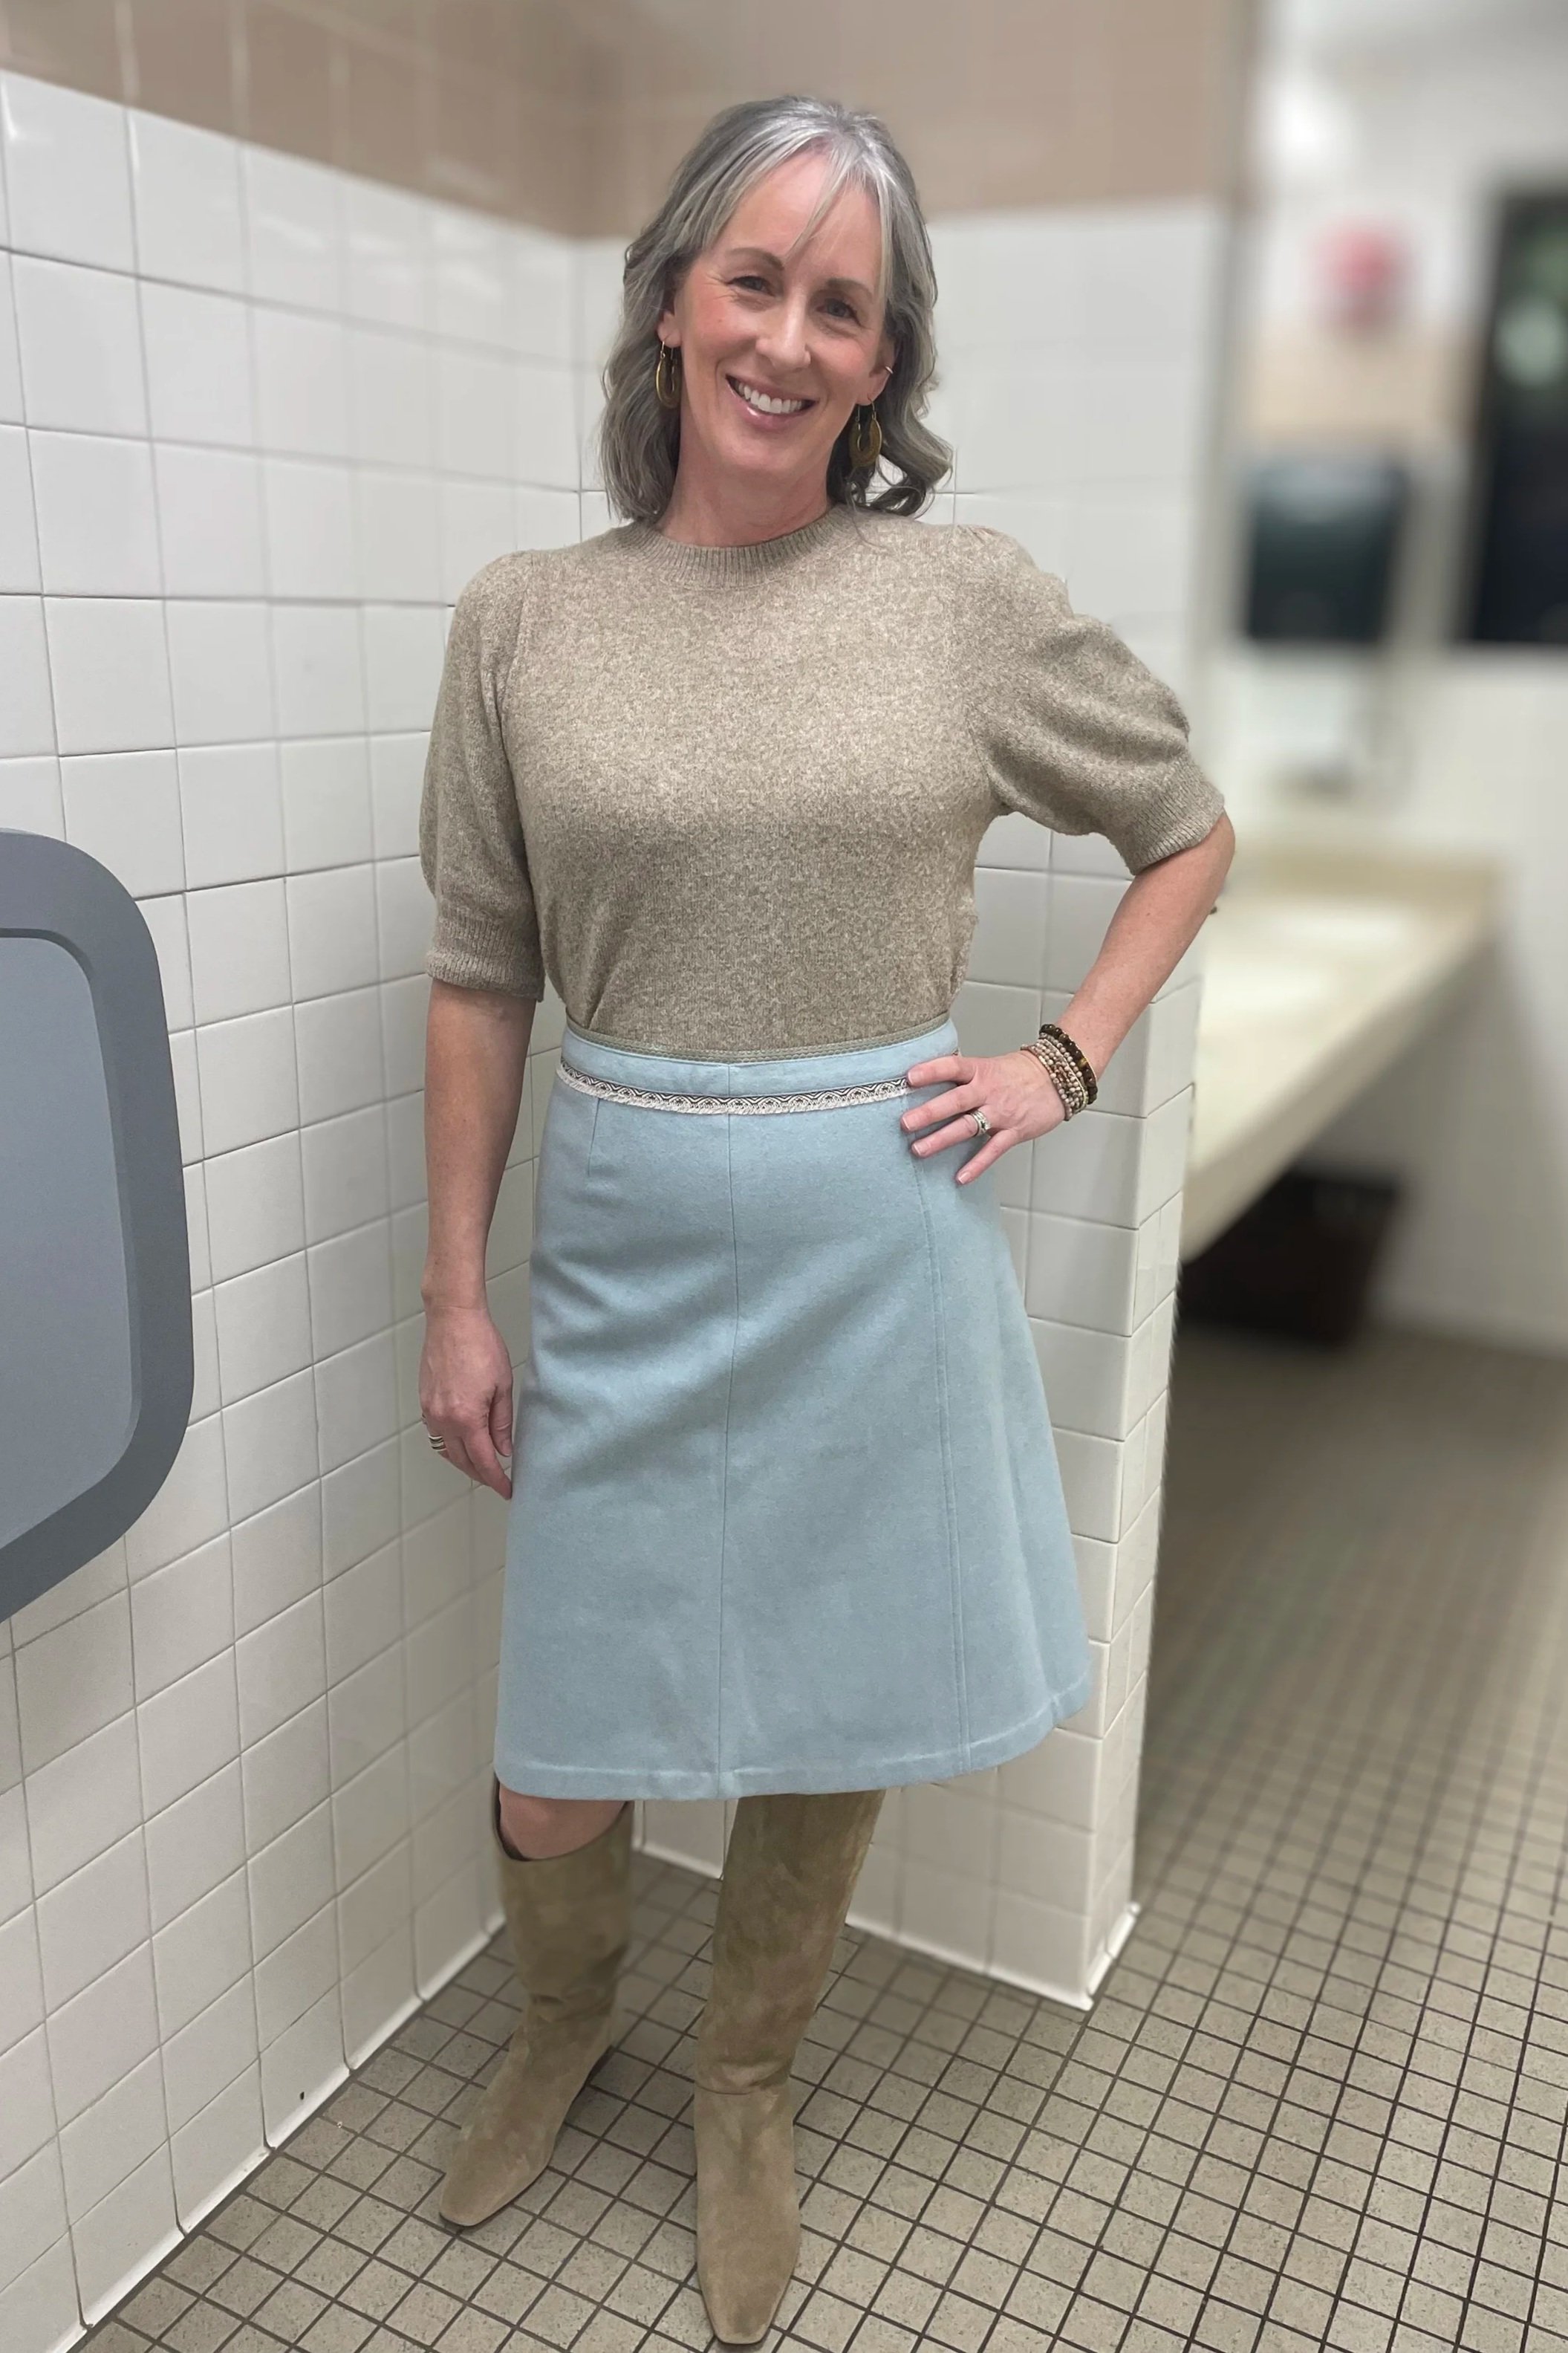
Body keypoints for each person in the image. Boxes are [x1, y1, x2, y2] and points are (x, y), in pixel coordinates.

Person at [416, 93, 1234, 2347]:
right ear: (675, 300)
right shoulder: (526, 622)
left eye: (842, 307)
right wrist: (455, 1291)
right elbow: (480, 974)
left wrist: (1061, 1056)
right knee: (560, 1744)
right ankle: (562, 2024)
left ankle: (745, 2083)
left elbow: (1184, 827)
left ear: (885, 362)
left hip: (872, 1259)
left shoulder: (958, 600)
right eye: (754, 280)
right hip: (621, 1252)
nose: (788, 338)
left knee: (830, 1699)